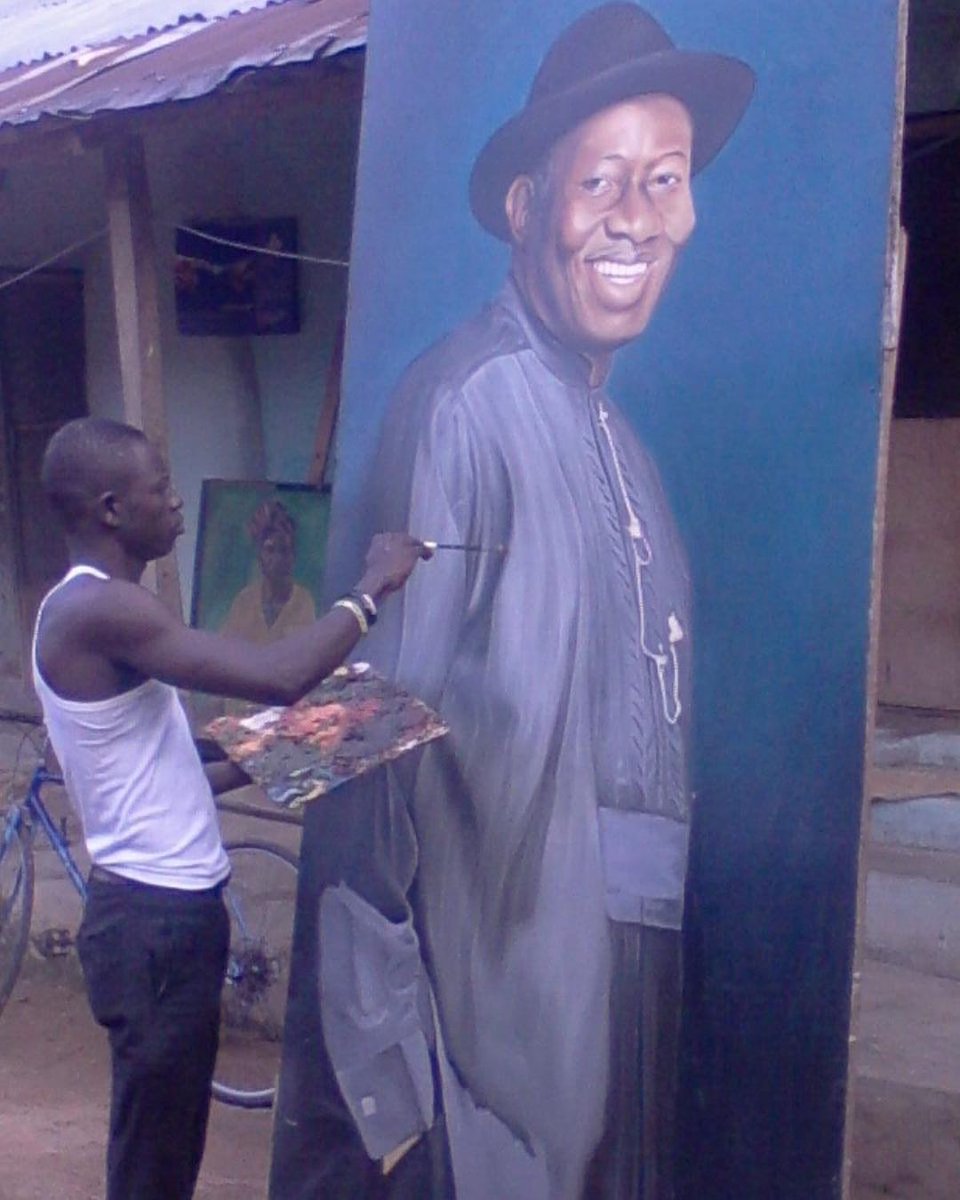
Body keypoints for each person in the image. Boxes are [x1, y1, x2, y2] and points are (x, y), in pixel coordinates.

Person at [274, 6, 756, 1200]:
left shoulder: (625, 451)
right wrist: (390, 1105)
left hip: (618, 997)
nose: (635, 216)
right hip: (489, 1041)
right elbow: (351, 739)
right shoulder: (462, 407)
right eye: (600, 182)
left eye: (664, 180)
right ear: (526, 205)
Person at [31, 416, 429, 1200]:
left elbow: (174, 775)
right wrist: (371, 588)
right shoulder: (104, 611)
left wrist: (309, 742)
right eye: (161, 490)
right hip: (156, 926)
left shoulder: (90, 610)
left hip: (157, 921)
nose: (178, 503)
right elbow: (277, 675)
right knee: (154, 1165)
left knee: (164, 1153)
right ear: (111, 510)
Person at [220, 498, 317, 642]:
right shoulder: (244, 602)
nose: (278, 559)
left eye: (284, 550)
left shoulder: (303, 602)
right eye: (270, 550)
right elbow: (226, 648)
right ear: (259, 554)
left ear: (293, 555)